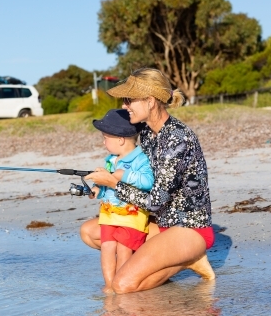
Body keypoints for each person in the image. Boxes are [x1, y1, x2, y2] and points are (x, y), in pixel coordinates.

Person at [83, 67, 215, 294]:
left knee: (122, 286)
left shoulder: (177, 139)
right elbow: (119, 137)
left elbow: (155, 202)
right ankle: (168, 261)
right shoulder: (146, 131)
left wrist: (115, 184)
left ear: (151, 101)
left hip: (189, 229)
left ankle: (188, 259)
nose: (125, 105)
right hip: (160, 224)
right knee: (90, 232)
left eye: (129, 100)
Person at [89, 109, 154, 294]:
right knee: (107, 247)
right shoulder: (110, 160)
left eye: (105, 137)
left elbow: (148, 182)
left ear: (120, 139)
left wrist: (123, 174)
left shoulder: (141, 159)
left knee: (124, 249)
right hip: (109, 214)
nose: (103, 142)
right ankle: (110, 286)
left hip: (132, 216)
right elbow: (105, 188)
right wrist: (96, 190)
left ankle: (120, 284)